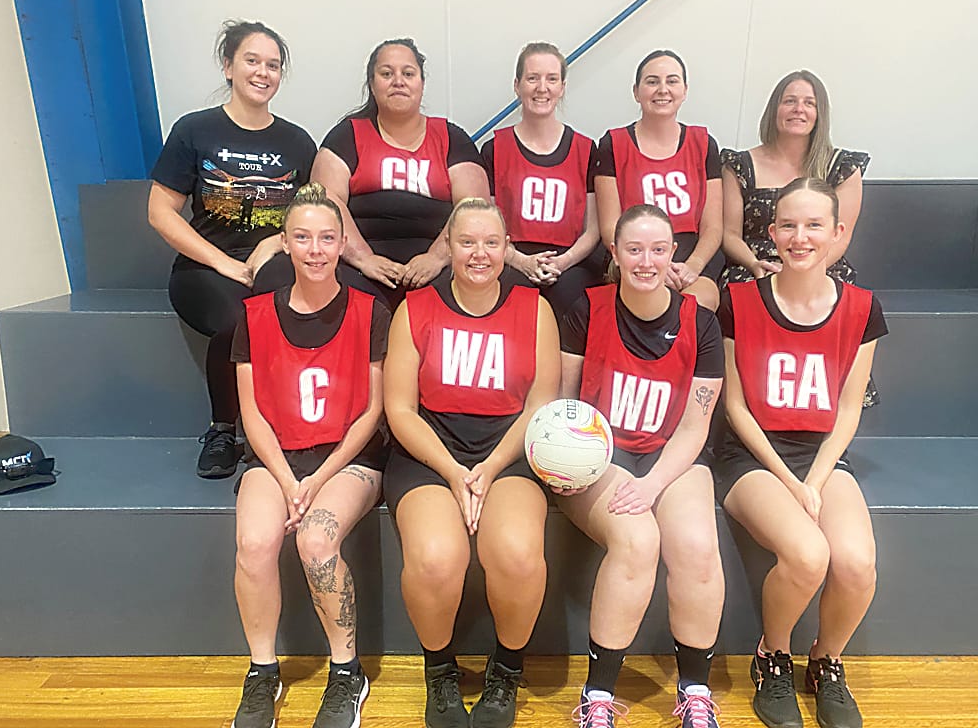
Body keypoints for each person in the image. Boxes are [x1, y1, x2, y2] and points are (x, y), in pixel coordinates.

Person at [715, 178, 886, 728]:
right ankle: (773, 656)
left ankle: (827, 661)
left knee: (857, 565)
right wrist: (792, 485)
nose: (800, 236)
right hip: (752, 454)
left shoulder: (862, 308)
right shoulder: (738, 302)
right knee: (809, 555)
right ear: (770, 233)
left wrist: (814, 477)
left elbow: (849, 409)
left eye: (814, 225)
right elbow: (736, 409)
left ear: (838, 234)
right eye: (788, 224)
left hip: (821, 453)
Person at [383, 198, 560, 728]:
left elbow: (540, 405)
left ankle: (506, 670)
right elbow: (398, 408)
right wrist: (454, 471)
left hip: (508, 447)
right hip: (430, 450)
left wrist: (488, 467)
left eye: (491, 242)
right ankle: (439, 671)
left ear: (507, 248)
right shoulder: (416, 309)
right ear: (448, 248)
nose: (479, 253)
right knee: (436, 558)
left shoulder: (536, 309)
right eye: (466, 242)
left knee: (517, 552)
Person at [228, 183, 390, 728]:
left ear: (343, 243)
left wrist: (316, 479)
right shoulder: (252, 315)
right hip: (276, 458)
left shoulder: (372, 312)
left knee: (316, 539)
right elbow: (251, 414)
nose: (316, 249)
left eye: (326, 237)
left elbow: (372, 410)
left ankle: (347, 672)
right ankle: (262, 671)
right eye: (303, 237)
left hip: (348, 460)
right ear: (285, 243)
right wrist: (286, 477)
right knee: (254, 543)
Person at [558, 204, 725, 728]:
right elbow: (565, 408)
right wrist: (592, 465)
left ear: (673, 254)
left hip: (669, 457)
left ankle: (695, 690)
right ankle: (597, 697)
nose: (646, 260)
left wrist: (652, 483)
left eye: (657, 249)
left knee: (697, 547)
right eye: (634, 249)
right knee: (638, 540)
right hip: (597, 456)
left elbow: (695, 428)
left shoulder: (703, 324)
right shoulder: (585, 309)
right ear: (615, 254)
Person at [148, 20, 317, 479]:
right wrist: (224, 262)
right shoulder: (195, 130)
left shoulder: (297, 142)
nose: (263, 73)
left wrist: (273, 242)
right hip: (204, 267)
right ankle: (224, 429)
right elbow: (160, 212)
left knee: (298, 308)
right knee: (238, 319)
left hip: (272, 261)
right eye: (252, 61)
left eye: (273, 65)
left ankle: (297, 428)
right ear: (228, 66)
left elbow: (311, 214)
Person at [720, 70, 875, 406]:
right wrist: (756, 264)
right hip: (755, 264)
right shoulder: (739, 163)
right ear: (775, 108)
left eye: (809, 102)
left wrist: (800, 271)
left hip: (819, 263)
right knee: (738, 293)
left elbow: (841, 236)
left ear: (820, 113)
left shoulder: (842, 166)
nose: (798, 109)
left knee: (835, 295)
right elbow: (729, 234)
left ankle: (826, 404)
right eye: (789, 101)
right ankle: (743, 400)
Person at [311, 38, 489, 310]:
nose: (398, 81)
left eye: (408, 73)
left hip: (439, 269)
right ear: (372, 84)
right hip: (359, 270)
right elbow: (326, 204)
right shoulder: (347, 137)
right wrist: (364, 259)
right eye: (386, 73)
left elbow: (474, 209)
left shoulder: (452, 138)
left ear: (421, 83)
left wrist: (436, 258)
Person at [480, 42, 604, 321]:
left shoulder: (586, 150)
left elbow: (593, 230)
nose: (542, 87)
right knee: (510, 304)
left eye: (551, 79)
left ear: (562, 87)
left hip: (570, 262)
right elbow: (486, 224)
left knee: (575, 302)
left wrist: (562, 262)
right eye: (532, 78)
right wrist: (520, 261)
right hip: (510, 258)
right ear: (517, 85)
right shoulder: (494, 149)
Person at [595, 50, 723, 311]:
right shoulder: (613, 144)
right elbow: (610, 224)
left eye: (672, 81)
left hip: (690, 256)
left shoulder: (704, 144)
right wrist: (653, 268)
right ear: (636, 91)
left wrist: (693, 267)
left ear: (685, 90)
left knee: (698, 303)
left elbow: (713, 227)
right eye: (652, 81)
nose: (662, 89)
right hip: (636, 259)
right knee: (647, 302)